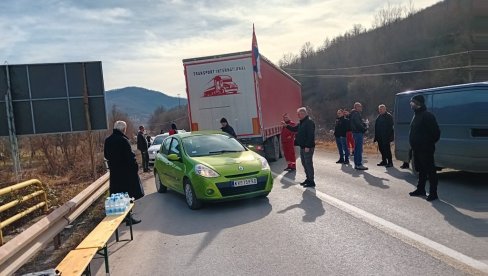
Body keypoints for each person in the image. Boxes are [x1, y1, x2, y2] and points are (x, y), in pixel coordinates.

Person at [104, 121, 144, 225]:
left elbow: (106, 155)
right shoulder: (123, 140)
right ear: (123, 129)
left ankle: (121, 217)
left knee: (118, 195)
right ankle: (128, 217)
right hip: (126, 173)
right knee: (128, 195)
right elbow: (130, 157)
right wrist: (135, 167)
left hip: (115, 172)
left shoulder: (108, 140)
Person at [408, 95, 441, 201]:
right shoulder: (416, 115)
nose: (411, 105)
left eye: (413, 103)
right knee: (421, 171)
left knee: (431, 171)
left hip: (425, 149)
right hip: (416, 149)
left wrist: (426, 144)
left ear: (418, 104)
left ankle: (433, 193)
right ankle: (420, 189)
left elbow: (436, 133)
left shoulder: (427, 116)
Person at [284, 107, 316, 187]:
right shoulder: (301, 122)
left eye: (299, 114)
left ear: (304, 113)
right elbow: (294, 129)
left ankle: (311, 181)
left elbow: (310, 135)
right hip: (302, 146)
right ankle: (308, 179)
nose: (298, 115)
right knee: (304, 163)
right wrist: (286, 126)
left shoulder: (309, 122)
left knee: (308, 164)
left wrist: (308, 146)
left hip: (307, 147)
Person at [350, 102, 368, 170]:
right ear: (356, 107)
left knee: (357, 148)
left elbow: (358, 123)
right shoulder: (356, 114)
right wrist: (364, 129)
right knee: (359, 149)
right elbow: (358, 124)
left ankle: (357, 164)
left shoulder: (353, 114)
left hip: (355, 132)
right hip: (358, 133)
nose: (361, 108)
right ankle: (358, 164)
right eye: (359, 106)